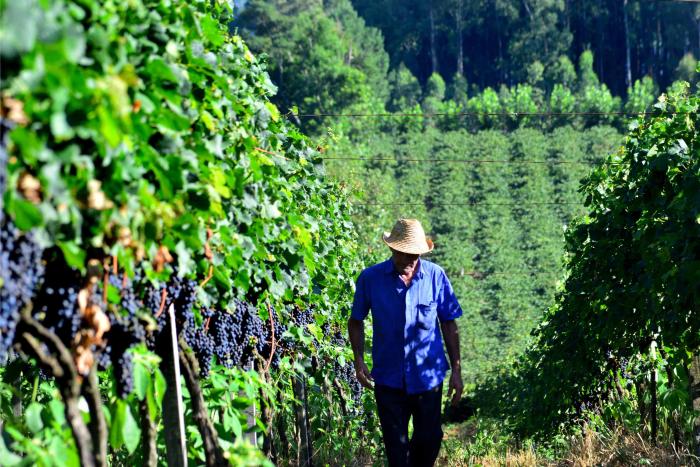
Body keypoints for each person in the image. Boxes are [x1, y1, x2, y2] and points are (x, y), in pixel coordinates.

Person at [348, 218, 463, 467]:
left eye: (414, 254)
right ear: (392, 249)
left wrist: (457, 370)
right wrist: (358, 361)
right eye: (403, 253)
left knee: (430, 440)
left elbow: (449, 324)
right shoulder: (371, 278)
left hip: (428, 379)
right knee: (396, 449)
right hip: (389, 380)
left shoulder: (436, 276)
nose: (408, 259)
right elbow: (355, 321)